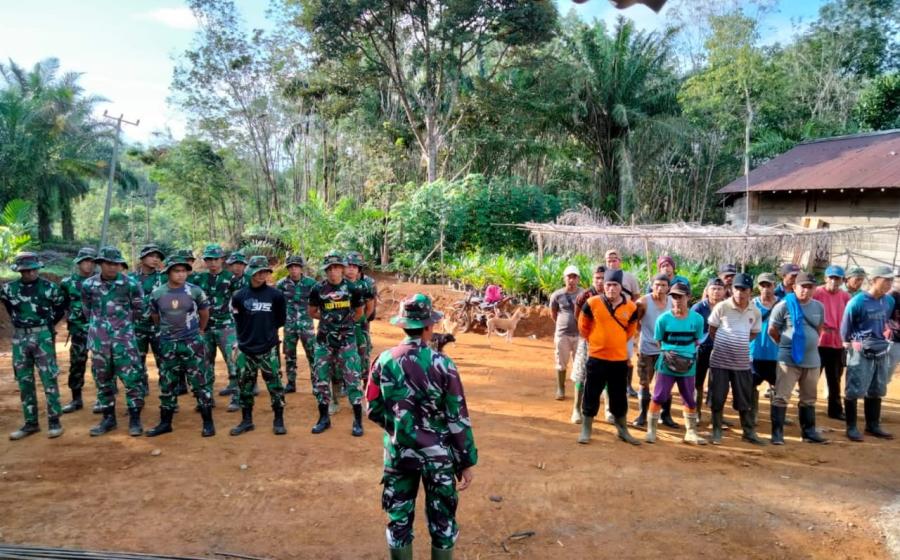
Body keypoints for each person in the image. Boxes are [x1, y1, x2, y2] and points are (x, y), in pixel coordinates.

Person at [367, 294, 477, 560]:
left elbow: (372, 408)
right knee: (443, 523)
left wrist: (397, 428)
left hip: (399, 454)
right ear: (429, 326)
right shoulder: (444, 365)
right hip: (438, 458)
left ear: (403, 325)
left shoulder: (383, 361)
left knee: (399, 521)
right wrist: (466, 462)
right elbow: (456, 418)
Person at [146, 255, 215, 437]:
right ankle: (165, 423)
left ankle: (208, 423)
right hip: (168, 344)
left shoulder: (195, 291)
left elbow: (204, 313)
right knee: (167, 383)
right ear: (168, 272)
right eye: (177, 271)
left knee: (200, 382)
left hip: (192, 343)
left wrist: (200, 331)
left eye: (184, 270)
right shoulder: (158, 293)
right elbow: (156, 317)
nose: (181, 274)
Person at [81, 246, 146, 437]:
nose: (112, 267)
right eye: (108, 264)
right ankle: (108, 419)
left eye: (116, 264)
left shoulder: (130, 284)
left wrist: (121, 327)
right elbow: (87, 310)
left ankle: (135, 418)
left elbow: (139, 310)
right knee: (103, 381)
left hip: (124, 341)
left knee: (132, 380)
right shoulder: (88, 285)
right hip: (99, 343)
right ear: (100, 264)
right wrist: (101, 328)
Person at [1, 253, 67, 440]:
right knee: (24, 380)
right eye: (25, 270)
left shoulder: (49, 288)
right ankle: (31, 423)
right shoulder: (8, 289)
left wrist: (47, 326)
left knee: (49, 378)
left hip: (43, 336)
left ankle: (55, 421)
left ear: (38, 268)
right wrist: (20, 322)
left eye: (32, 269)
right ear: (19, 271)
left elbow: (61, 308)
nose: (30, 272)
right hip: (20, 338)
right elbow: (9, 307)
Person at [576, 269, 641, 445]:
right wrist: (597, 341)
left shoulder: (631, 307)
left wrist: (615, 342)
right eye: (608, 285)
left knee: (619, 394)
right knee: (592, 392)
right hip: (597, 357)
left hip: (619, 359)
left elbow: (631, 330)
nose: (611, 288)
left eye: (615, 285)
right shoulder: (592, 303)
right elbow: (583, 326)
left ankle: (622, 430)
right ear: (603, 286)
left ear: (622, 287)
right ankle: (586, 428)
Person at [229, 256, 288, 436]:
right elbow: (238, 320)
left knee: (275, 386)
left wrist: (265, 333)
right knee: (244, 387)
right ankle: (247, 421)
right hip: (246, 349)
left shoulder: (276, 295)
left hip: (268, 348)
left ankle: (278, 420)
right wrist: (242, 341)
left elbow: (280, 320)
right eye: (258, 271)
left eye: (265, 271)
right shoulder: (239, 296)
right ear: (250, 272)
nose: (262, 275)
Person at [308, 251, 365, 436]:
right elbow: (312, 311)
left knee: (352, 379)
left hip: (346, 341)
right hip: (324, 341)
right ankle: (323, 418)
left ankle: (357, 422)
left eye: (336, 268)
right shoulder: (317, 289)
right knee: (321, 379)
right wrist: (327, 321)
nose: (333, 272)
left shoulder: (352, 289)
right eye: (329, 269)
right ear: (325, 271)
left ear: (342, 269)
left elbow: (359, 313)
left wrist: (344, 325)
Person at [768, 272, 827, 445]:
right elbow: (772, 330)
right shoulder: (784, 306)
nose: (806, 291)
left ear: (815, 289)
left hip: (812, 360)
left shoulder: (818, 307)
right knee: (781, 396)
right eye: (803, 286)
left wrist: (808, 343)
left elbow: (819, 329)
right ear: (794, 287)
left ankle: (808, 432)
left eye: (810, 287)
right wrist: (785, 345)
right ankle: (777, 434)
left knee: (809, 398)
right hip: (788, 360)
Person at [706, 272, 763, 445]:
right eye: (737, 288)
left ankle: (748, 432)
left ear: (750, 291)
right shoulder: (722, 307)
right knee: (717, 397)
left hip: (741, 362)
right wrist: (726, 344)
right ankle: (716, 430)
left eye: (744, 289)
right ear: (731, 289)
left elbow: (754, 333)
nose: (740, 292)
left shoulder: (755, 311)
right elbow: (712, 330)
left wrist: (738, 343)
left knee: (744, 398)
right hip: (719, 361)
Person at [840, 265, 895, 442]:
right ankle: (852, 427)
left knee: (877, 388)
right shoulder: (857, 301)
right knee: (854, 388)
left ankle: (873, 425)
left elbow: (885, 321)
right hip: (860, 349)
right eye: (885, 280)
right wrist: (851, 345)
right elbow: (845, 329)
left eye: (891, 280)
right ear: (873, 280)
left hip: (881, 349)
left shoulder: (888, 301)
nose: (889, 283)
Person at [646, 282, 706, 445]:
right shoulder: (663, 319)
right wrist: (669, 353)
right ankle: (651, 430)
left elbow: (697, 340)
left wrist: (685, 355)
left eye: (680, 296)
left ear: (688, 297)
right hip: (667, 363)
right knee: (659, 395)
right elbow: (658, 341)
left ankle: (691, 432)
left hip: (688, 364)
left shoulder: (698, 319)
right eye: (674, 296)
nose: (677, 300)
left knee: (689, 397)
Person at [192, 244, 241, 411]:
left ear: (222, 260)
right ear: (205, 261)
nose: (212, 263)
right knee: (205, 364)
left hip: (227, 326)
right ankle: (207, 398)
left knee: (233, 361)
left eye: (216, 259)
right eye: (209, 259)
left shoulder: (232, 278)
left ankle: (237, 397)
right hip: (205, 327)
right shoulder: (198, 279)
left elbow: (240, 300)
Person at [58, 247, 96, 413]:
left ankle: (104, 398)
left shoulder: (100, 282)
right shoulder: (67, 283)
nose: (88, 265)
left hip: (99, 331)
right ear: (79, 263)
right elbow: (61, 304)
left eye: (91, 261)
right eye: (85, 261)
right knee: (77, 364)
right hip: (78, 331)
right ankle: (76, 400)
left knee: (102, 365)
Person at [633, 273, 674, 429]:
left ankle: (666, 415)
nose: (660, 288)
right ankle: (642, 414)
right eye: (657, 284)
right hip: (647, 349)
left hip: (667, 350)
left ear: (668, 287)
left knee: (666, 383)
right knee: (644, 382)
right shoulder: (643, 302)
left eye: (664, 285)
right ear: (652, 285)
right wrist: (642, 337)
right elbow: (635, 322)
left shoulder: (672, 302)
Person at [813, 265, 852, 420]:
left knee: (834, 378)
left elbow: (850, 318)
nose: (834, 281)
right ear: (826, 278)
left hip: (837, 342)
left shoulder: (846, 296)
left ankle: (835, 410)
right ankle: (806, 407)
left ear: (842, 280)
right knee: (812, 377)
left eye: (838, 278)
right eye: (832, 277)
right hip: (818, 341)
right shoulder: (816, 293)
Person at [276, 254, 317, 393]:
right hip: (289, 326)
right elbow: (277, 304)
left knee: (312, 355)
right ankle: (291, 383)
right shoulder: (281, 284)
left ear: (301, 268)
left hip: (307, 326)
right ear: (288, 268)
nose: (294, 269)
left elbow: (318, 302)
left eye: (296, 266)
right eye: (291, 267)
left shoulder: (311, 284)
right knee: (289, 355)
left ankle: (316, 383)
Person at [130, 244, 165, 398]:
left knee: (164, 361)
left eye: (158, 257)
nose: (155, 259)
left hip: (159, 326)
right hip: (137, 327)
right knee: (137, 362)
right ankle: (140, 393)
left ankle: (167, 394)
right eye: (151, 256)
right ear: (142, 258)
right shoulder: (130, 279)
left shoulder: (163, 277)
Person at [571, 265, 605, 424]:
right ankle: (576, 409)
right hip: (587, 342)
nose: (600, 281)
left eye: (603, 278)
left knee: (606, 375)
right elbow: (578, 317)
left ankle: (609, 411)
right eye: (597, 278)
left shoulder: (613, 296)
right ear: (593, 279)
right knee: (581, 374)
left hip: (607, 343)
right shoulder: (585, 296)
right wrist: (588, 334)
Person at [603, 249, 639, 397]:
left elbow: (636, 297)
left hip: (624, 322)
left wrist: (631, 314)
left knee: (626, 356)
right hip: (605, 323)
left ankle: (628, 385)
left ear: (620, 261)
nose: (612, 262)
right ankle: (605, 385)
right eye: (609, 260)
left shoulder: (629, 278)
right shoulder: (602, 276)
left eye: (614, 259)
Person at [691, 277, 726, 422]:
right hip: (702, 350)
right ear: (707, 291)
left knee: (717, 383)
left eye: (719, 289)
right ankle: (696, 413)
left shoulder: (727, 307)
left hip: (721, 350)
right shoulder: (698, 308)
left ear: (724, 291)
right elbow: (691, 329)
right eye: (713, 289)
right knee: (697, 383)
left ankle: (716, 416)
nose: (716, 292)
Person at [549, 265, 584, 401]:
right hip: (562, 334)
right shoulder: (557, 295)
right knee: (561, 362)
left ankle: (578, 392)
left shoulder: (584, 294)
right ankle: (560, 388)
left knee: (580, 364)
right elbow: (553, 313)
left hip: (580, 335)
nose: (572, 280)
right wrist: (562, 324)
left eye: (574, 277)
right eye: (569, 277)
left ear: (578, 279)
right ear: (564, 278)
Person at [750, 273, 781, 424]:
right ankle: (753, 414)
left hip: (776, 354)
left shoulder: (782, 305)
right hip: (754, 353)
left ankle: (776, 418)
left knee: (778, 387)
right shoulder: (751, 305)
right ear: (758, 287)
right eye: (762, 285)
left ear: (775, 286)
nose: (766, 289)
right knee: (750, 386)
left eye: (769, 285)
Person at [345, 251, 377, 387]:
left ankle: (365, 380)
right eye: (349, 265)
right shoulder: (341, 283)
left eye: (355, 266)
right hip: (344, 324)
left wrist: (362, 321)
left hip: (362, 322)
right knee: (345, 351)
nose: (352, 268)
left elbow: (371, 307)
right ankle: (345, 382)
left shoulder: (367, 283)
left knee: (363, 351)